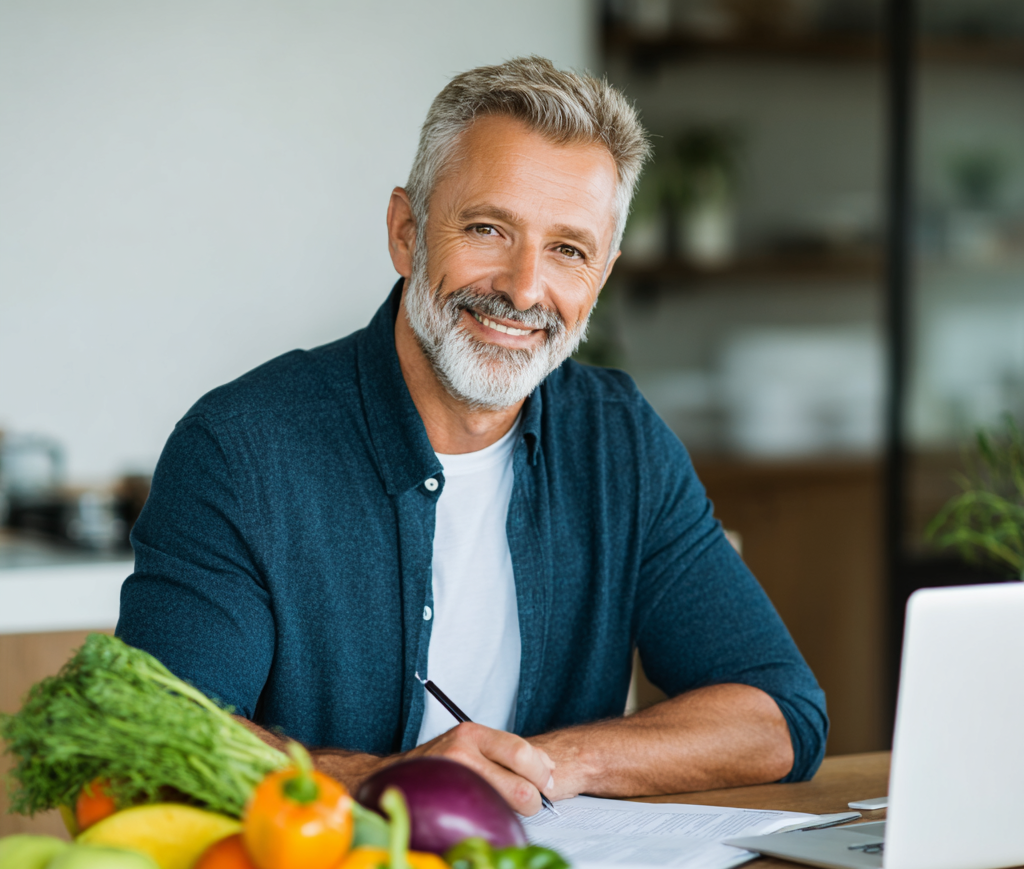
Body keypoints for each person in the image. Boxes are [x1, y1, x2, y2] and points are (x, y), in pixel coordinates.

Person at [118, 57, 827, 815]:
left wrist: (551, 763)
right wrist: (387, 780)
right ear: (406, 233)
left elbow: (780, 715)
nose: (524, 289)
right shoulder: (239, 449)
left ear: (603, 275)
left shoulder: (619, 440)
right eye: (488, 229)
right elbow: (156, 742)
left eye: (567, 250)